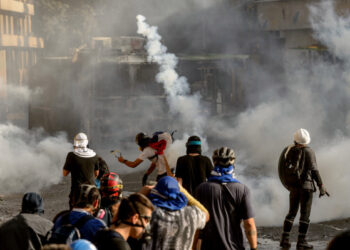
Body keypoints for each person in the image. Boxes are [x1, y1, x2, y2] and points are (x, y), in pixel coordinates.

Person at [195, 147, 257, 250]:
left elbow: (196, 224)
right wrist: (254, 248)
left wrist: (193, 247)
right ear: (233, 163)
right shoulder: (242, 189)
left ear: (214, 163)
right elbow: (249, 224)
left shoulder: (201, 189)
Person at [279, 128, 329, 249]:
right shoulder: (308, 151)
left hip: (294, 187)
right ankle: (301, 242)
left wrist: (288, 186)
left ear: (295, 139)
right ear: (307, 140)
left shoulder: (287, 150)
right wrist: (321, 186)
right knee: (304, 215)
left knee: (291, 213)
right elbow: (314, 171)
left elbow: (281, 170)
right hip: (306, 187)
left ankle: (285, 239)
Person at [141, 176, 209, 250]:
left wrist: (142, 193)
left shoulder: (151, 214)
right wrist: (181, 190)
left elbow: (128, 213)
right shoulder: (190, 214)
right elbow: (206, 213)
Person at [63, 132, 100, 209]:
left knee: (74, 212)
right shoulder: (94, 155)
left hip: (76, 191)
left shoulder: (71, 155)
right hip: (91, 190)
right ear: (86, 142)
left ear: (75, 142)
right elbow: (96, 173)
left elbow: (65, 173)